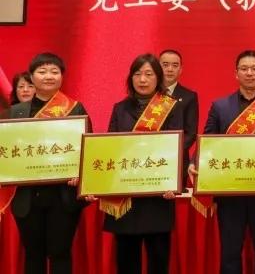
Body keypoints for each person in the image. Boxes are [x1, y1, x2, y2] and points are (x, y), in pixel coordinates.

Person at [197, 50, 255, 274]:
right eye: (244, 69)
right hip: (230, 193)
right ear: (236, 73)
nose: (249, 73)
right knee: (230, 252)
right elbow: (207, 142)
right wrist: (195, 162)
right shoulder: (220, 106)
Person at [101, 54, 183, 274]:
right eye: (137, 74)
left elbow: (176, 148)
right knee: (127, 260)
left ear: (158, 78)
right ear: (131, 78)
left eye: (148, 74)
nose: (143, 79)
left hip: (157, 194)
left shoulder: (171, 107)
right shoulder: (120, 108)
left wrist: (173, 182)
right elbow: (110, 146)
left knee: (158, 258)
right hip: (126, 195)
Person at [8, 53, 88, 274]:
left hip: (63, 197)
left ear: (62, 76)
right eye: (42, 71)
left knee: (60, 253)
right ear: (32, 76)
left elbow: (86, 149)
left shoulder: (75, 109)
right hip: (27, 198)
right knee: (33, 255)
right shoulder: (16, 112)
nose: (48, 76)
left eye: (54, 71)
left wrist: (80, 173)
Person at [158, 49, 199, 178]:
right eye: (165, 65)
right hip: (149, 158)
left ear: (180, 69)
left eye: (175, 65)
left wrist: (173, 151)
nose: (170, 69)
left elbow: (191, 133)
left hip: (177, 160)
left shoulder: (189, 96)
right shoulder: (150, 94)